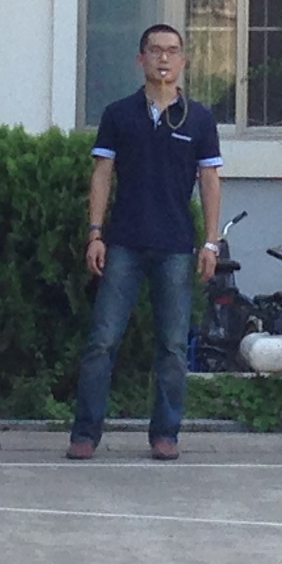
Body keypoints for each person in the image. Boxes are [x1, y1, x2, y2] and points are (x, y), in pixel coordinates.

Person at [71, 23, 223, 461]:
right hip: (124, 242)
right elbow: (102, 174)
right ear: (141, 59)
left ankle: (166, 433)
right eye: (155, 50)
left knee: (173, 346)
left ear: (184, 61)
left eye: (172, 51)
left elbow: (210, 180)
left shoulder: (199, 119)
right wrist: (95, 233)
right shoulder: (119, 114)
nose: (164, 58)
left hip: (175, 245)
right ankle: (85, 433)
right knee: (102, 341)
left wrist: (210, 243)